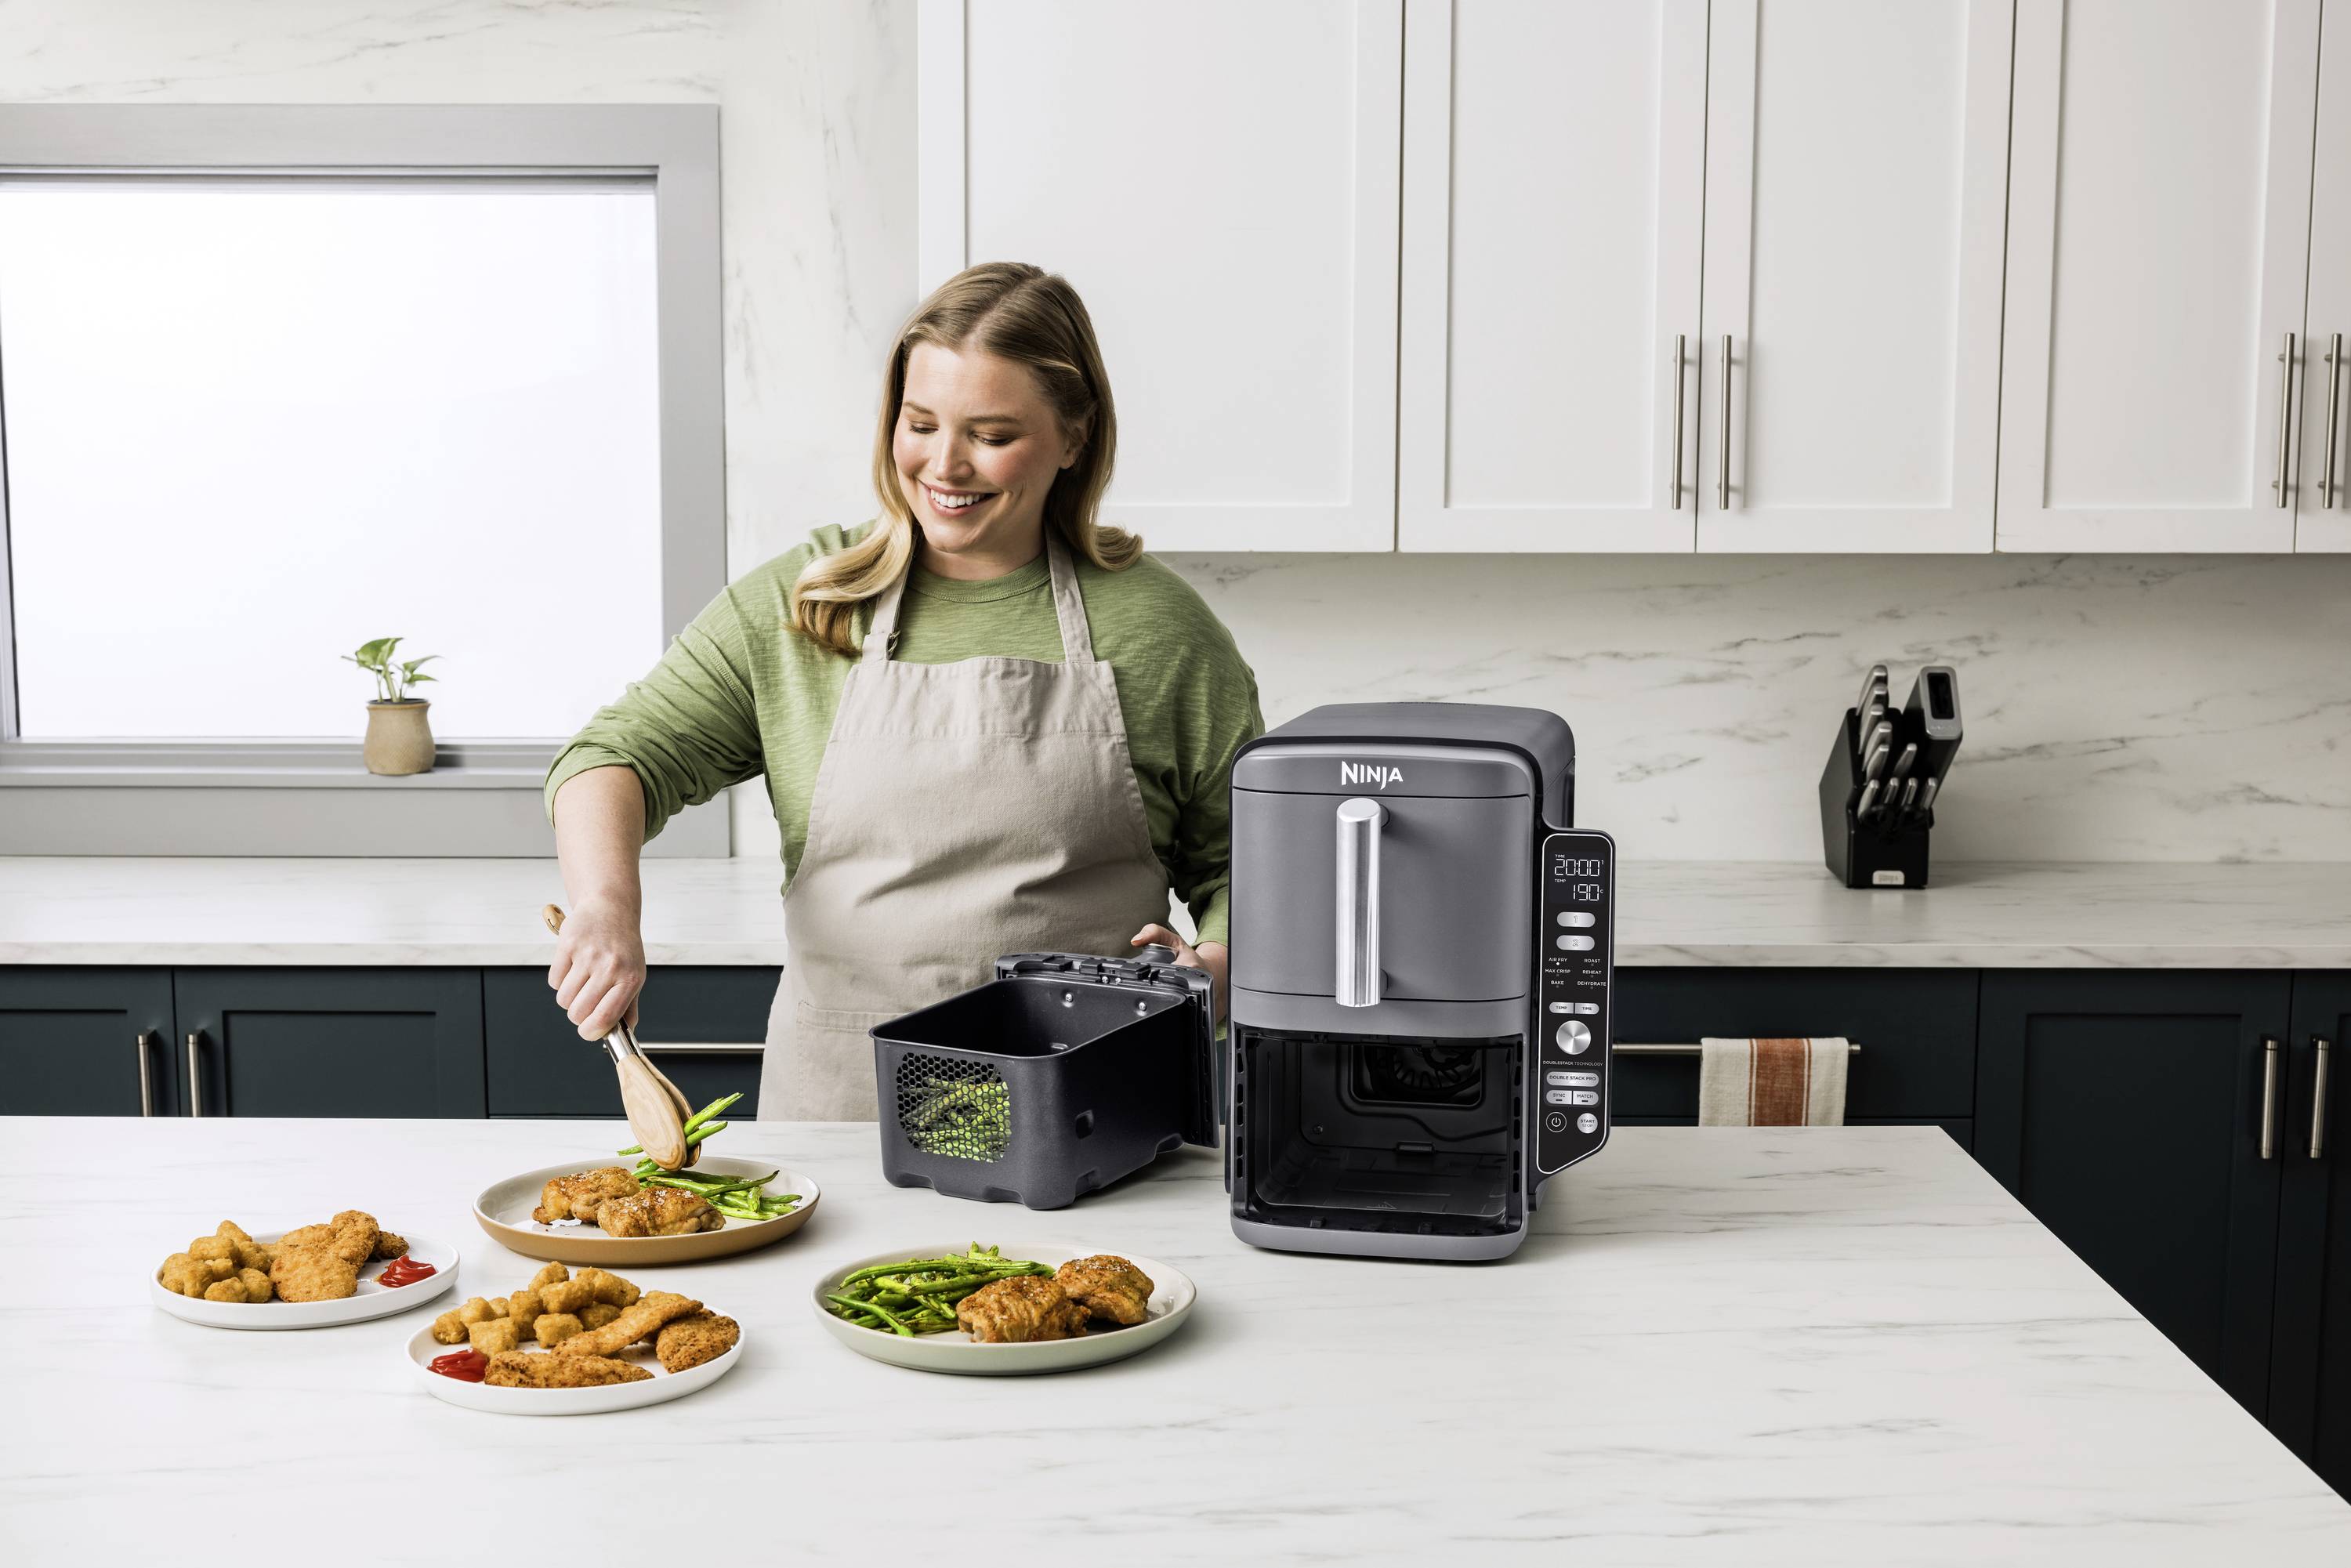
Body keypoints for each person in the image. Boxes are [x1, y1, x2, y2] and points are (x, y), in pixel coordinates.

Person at [542, 262, 1263, 1119]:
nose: (945, 465)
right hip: (843, 1121)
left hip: (1092, 1119)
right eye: (920, 424)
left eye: (991, 435)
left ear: (1074, 438)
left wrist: (1213, 967)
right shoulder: (809, 607)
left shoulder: (1159, 629)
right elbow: (614, 756)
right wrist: (605, 906)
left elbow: (1256, 869)